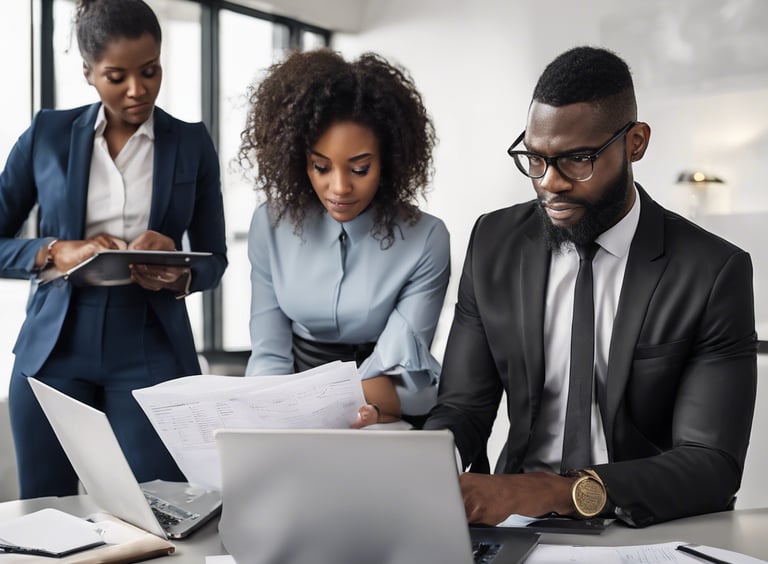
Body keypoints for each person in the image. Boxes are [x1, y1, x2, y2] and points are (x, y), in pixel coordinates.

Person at [424, 46, 757, 527]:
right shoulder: (494, 243)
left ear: (635, 142)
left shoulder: (711, 270)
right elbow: (463, 408)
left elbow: (712, 463)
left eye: (577, 159)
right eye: (535, 160)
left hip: (642, 525)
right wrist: (431, 472)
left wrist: (557, 492)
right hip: (514, 521)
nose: (550, 183)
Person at [1, 0, 227, 498]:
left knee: (159, 511)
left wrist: (179, 268)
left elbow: (214, 259)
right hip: (55, 347)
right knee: (45, 515)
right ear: (88, 73)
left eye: (149, 71)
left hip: (150, 345)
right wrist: (52, 250)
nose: (137, 90)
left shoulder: (191, 144)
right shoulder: (48, 136)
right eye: (116, 76)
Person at [239, 49, 449, 428]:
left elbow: (395, 364)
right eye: (321, 167)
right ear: (299, 159)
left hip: (388, 393)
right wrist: (268, 417)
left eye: (360, 168)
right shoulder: (269, 223)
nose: (339, 188)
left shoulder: (426, 238)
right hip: (292, 395)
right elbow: (269, 356)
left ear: (388, 161)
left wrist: (338, 405)